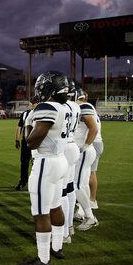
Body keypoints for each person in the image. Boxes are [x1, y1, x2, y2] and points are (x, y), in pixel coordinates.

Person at [19, 71, 69, 265]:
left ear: (49, 88)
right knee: (55, 205)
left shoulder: (47, 107)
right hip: (60, 160)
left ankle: (43, 260)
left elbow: (31, 142)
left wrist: (28, 123)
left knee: (40, 212)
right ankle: (57, 247)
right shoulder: (64, 107)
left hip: (46, 163)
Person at [73, 89, 98, 231]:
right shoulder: (83, 107)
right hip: (86, 149)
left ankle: (90, 217)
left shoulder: (84, 106)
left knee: (75, 184)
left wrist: (84, 147)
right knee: (82, 183)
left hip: (84, 149)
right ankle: (82, 213)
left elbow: (93, 128)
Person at [60, 79, 81, 244]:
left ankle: (65, 232)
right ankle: (70, 227)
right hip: (73, 145)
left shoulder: (63, 106)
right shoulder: (76, 106)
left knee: (61, 192)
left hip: (64, 147)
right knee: (70, 188)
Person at [14, 96, 38, 191]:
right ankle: (23, 182)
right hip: (28, 141)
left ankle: (33, 182)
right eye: (32, 103)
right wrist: (17, 139)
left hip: (36, 142)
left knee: (34, 163)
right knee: (25, 163)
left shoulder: (39, 113)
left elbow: (19, 127)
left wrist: (17, 139)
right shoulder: (25, 114)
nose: (32, 104)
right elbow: (19, 126)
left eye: (33, 103)